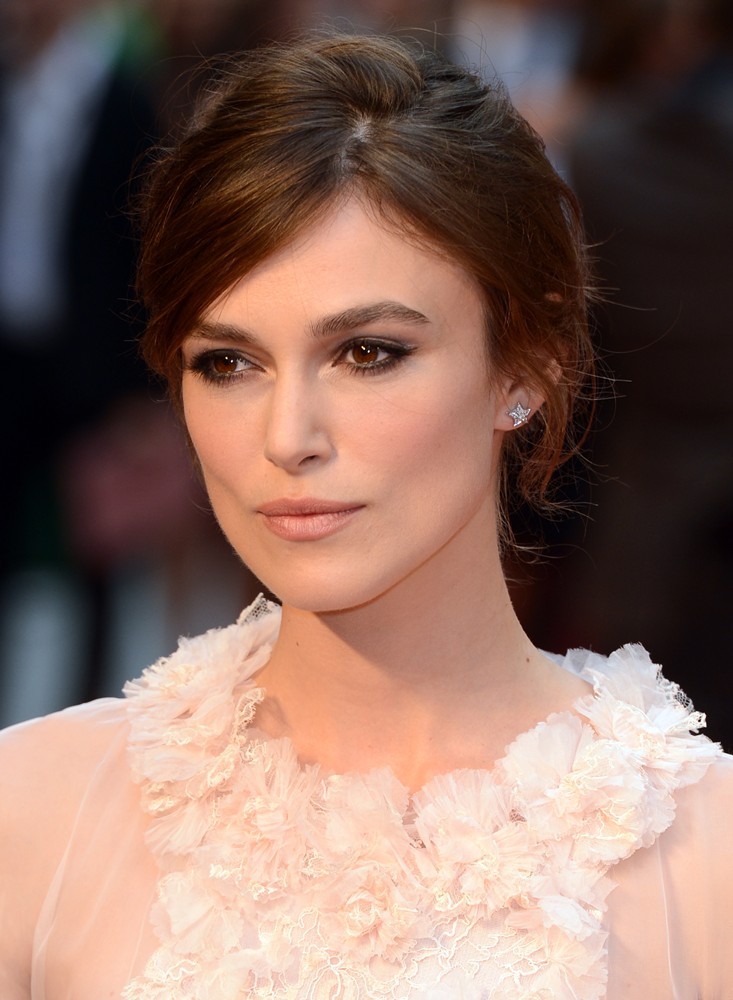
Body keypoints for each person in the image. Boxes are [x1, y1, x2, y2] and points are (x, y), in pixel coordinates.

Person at [0, 31, 731, 1000]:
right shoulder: (32, 812)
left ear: (525, 363)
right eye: (228, 363)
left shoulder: (702, 856)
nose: (286, 437)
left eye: (367, 353)